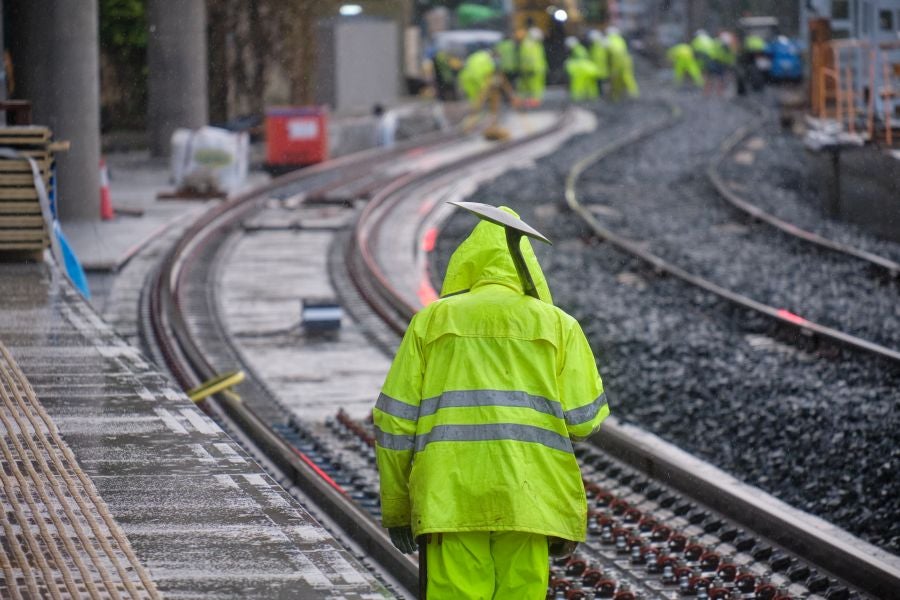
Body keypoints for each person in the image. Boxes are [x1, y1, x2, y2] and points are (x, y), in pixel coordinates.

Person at [374, 204, 610, 599]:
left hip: (450, 496)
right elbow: (584, 420)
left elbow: (394, 423)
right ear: (526, 265)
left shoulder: (432, 321)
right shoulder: (559, 325)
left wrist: (397, 507)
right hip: (529, 497)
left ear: (468, 262)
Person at [606, 26, 639, 100]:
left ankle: (616, 96)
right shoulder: (620, 39)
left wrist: (614, 68)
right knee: (627, 77)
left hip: (618, 62)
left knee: (617, 79)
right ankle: (633, 93)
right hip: (626, 60)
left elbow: (615, 55)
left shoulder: (609, 41)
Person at [518, 27, 548, 106]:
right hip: (532, 70)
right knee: (532, 86)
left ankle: (534, 101)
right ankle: (531, 101)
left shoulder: (535, 44)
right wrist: (529, 68)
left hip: (537, 69)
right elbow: (527, 58)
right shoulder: (528, 44)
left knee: (536, 86)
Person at [565, 37, 600, 101]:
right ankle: (592, 96)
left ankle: (578, 97)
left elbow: (580, 61)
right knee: (590, 84)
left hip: (582, 70)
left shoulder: (578, 50)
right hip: (588, 70)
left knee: (578, 84)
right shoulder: (580, 49)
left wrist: (570, 64)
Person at [588, 30, 610, 96]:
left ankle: (605, 95)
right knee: (600, 85)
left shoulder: (604, 44)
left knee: (604, 84)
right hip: (599, 70)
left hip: (604, 69)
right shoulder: (595, 46)